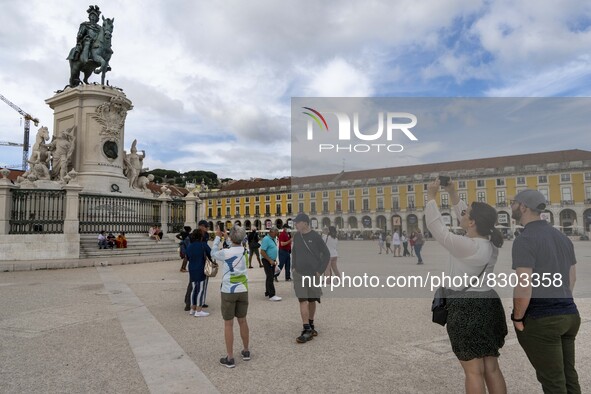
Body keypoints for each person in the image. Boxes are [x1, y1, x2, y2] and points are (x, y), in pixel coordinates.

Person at [426, 179, 508, 394]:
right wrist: (452, 192)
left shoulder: (467, 246)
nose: (462, 214)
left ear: (472, 223)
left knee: (473, 371)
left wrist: (431, 198)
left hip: (466, 308)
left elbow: (437, 228)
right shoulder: (490, 243)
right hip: (489, 305)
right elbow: (467, 215)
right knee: (491, 367)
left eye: (465, 214)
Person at [510, 189, 581, 393]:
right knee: (569, 377)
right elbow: (571, 278)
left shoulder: (525, 239)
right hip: (569, 314)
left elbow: (524, 284)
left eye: (514, 203)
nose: (511, 206)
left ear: (523, 207)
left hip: (542, 319)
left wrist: (517, 317)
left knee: (553, 382)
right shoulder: (562, 237)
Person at [211, 225, 250, 368]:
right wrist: (229, 238)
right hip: (243, 289)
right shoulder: (246, 251)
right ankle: (246, 351)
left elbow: (213, 252)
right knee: (243, 321)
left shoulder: (225, 253)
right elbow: (235, 245)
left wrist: (217, 237)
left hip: (228, 290)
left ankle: (230, 357)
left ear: (231, 237)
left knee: (228, 323)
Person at [291, 213, 330, 344]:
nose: (295, 224)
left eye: (297, 222)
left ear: (305, 223)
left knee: (312, 300)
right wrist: (293, 267)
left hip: (313, 274)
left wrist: (320, 270)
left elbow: (326, 254)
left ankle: (311, 324)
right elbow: (294, 252)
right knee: (303, 301)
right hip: (300, 274)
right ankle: (306, 328)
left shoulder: (315, 237)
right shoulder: (296, 237)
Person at [185, 229, 212, 318]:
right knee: (201, 290)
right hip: (201, 268)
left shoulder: (190, 246)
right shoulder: (203, 245)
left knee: (194, 289)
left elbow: (187, 257)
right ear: (201, 236)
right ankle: (199, 309)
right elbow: (210, 254)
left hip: (192, 269)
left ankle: (192, 308)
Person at [260, 226, 282, 301]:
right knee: (270, 277)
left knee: (269, 276)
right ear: (271, 232)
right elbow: (262, 251)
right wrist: (269, 260)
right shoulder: (266, 239)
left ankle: (267, 292)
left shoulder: (272, 239)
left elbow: (272, 249)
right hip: (267, 260)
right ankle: (272, 295)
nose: (277, 235)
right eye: (276, 233)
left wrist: (274, 259)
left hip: (271, 260)